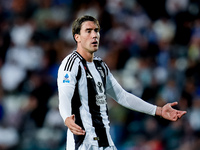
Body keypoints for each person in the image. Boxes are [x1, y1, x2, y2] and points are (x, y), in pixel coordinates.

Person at [57, 15, 187, 150]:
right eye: (88, 31)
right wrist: (67, 118)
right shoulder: (71, 64)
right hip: (83, 143)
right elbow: (64, 96)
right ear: (77, 37)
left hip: (105, 142)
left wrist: (158, 110)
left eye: (96, 30)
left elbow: (121, 96)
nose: (94, 35)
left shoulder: (100, 66)